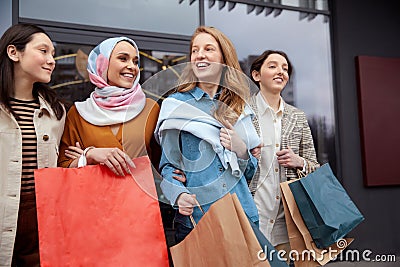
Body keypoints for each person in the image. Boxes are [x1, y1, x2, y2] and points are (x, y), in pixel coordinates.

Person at [155, 26, 261, 243]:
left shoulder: (240, 106)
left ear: (223, 58)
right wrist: (178, 195)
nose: (200, 54)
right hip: (198, 219)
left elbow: (250, 173)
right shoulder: (175, 105)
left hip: (242, 215)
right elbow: (168, 166)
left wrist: (241, 150)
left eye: (208, 49)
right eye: (195, 50)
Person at [0, 23, 66, 267]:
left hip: (40, 217)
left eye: (53, 54)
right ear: (13, 53)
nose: (51, 60)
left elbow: (62, 164)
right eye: (43, 51)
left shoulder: (57, 112)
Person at [248, 50, 320, 260]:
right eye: (272, 66)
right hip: (252, 217)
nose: (281, 71)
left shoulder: (298, 117)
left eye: (285, 68)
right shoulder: (242, 111)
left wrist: (299, 162)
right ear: (256, 75)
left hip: (286, 223)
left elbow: (314, 168)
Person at [57, 36, 161, 174]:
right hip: (93, 194)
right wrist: (89, 155)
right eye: (123, 59)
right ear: (102, 63)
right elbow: (63, 167)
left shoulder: (150, 109)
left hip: (139, 194)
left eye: (135, 62)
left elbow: (162, 163)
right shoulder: (78, 113)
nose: (132, 67)